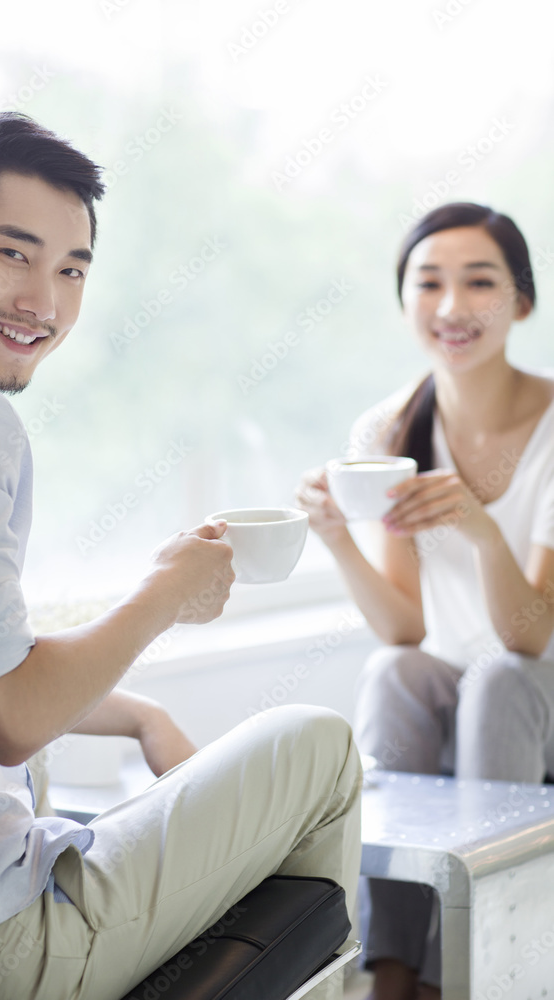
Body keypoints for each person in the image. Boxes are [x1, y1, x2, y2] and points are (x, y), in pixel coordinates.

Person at [0, 111, 362, 1000]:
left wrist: (138, 713)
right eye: (13, 254)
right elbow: (2, 717)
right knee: (321, 749)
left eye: (71, 269)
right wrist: (164, 594)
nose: (46, 302)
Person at [295, 202, 554, 1000]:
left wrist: (479, 530)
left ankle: (475, 972)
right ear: (404, 301)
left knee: (497, 681)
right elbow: (403, 627)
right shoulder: (385, 427)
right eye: (427, 283)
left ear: (520, 301)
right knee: (392, 672)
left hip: (531, 686)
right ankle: (391, 972)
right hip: (457, 686)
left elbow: (526, 637)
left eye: (478, 282)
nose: (449, 306)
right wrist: (336, 535)